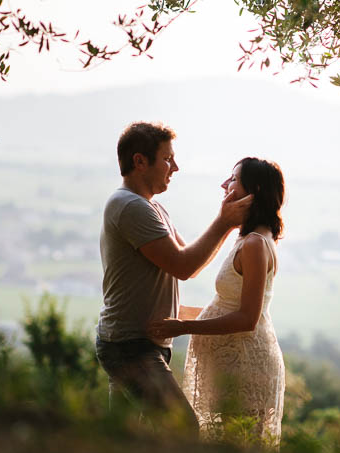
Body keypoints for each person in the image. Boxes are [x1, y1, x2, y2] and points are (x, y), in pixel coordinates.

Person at [96, 122, 252, 433]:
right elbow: (183, 266)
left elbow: (188, 259)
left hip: (137, 342)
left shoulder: (153, 208)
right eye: (168, 159)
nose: (175, 167)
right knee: (182, 428)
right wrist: (224, 222)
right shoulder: (129, 207)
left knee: (124, 438)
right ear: (140, 161)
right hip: (131, 345)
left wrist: (228, 224)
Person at [148, 157, 285, 445]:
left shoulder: (255, 244)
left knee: (237, 447)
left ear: (254, 190)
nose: (224, 184)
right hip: (233, 359)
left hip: (244, 363)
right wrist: (175, 313)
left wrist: (183, 327)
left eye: (233, 179)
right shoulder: (250, 240)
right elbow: (227, 307)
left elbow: (248, 318)